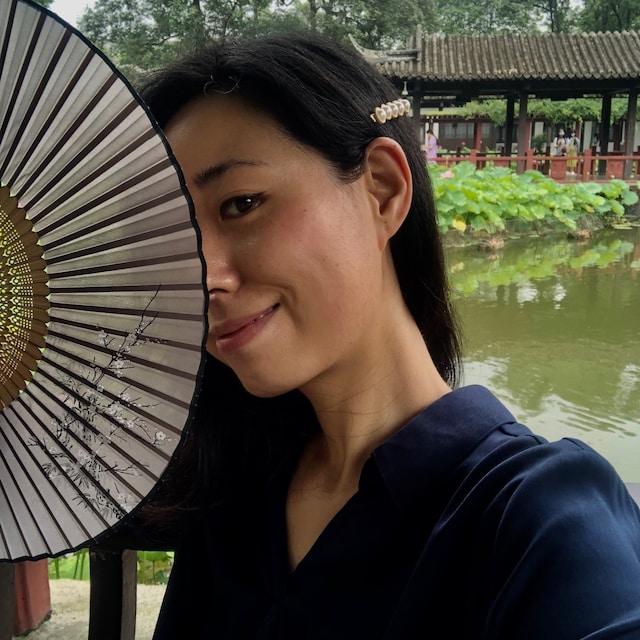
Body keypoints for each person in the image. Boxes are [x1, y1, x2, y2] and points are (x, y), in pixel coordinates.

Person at [136, 32, 640, 639]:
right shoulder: (232, 505)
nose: (203, 278)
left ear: (382, 188)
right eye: (173, 239)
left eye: (241, 204)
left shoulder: (540, 521)